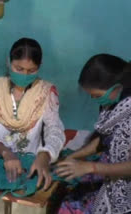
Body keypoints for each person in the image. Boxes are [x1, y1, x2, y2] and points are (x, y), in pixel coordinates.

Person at [0, 37, 65, 213]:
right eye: (19, 68)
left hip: (30, 167)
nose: (24, 75)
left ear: (39, 68)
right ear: (9, 63)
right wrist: (5, 152)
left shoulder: (46, 92)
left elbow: (56, 129)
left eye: (31, 71)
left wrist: (45, 155)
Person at [56, 54, 131, 214]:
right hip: (109, 168)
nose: (94, 99)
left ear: (117, 86)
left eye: (96, 95)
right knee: (69, 192)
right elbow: (104, 139)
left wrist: (90, 167)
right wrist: (74, 156)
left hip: (125, 187)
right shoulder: (112, 103)